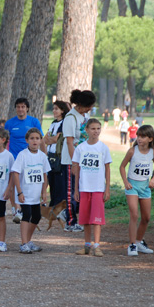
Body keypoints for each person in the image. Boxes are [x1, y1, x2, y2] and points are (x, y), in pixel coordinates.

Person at [72, 119, 112, 257]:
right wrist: (76, 189)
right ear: (87, 130)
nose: (96, 131)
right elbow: (76, 170)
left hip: (98, 188)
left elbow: (107, 169)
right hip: (84, 188)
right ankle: (87, 245)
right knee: (85, 218)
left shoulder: (103, 148)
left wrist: (107, 188)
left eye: (98, 128)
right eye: (93, 128)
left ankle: (97, 245)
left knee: (97, 218)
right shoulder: (80, 148)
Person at [120, 125, 154, 256]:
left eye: (143, 136)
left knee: (146, 218)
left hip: (145, 187)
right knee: (134, 215)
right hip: (132, 186)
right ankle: (131, 245)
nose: (139, 138)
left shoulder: (153, 152)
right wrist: (125, 182)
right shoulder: (132, 151)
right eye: (138, 136)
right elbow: (122, 166)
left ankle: (138, 242)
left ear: (150, 138)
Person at [4, 98, 44, 223]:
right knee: (12, 184)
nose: (20, 109)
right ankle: (16, 209)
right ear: (15, 108)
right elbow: (5, 140)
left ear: (27, 108)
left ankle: (26, 206)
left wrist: (44, 155)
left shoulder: (33, 121)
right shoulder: (10, 123)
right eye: (18, 107)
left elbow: (40, 139)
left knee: (26, 183)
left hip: (30, 158)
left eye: (23, 107)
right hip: (14, 157)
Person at [61, 90, 96, 232]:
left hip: (84, 160)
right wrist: (74, 163)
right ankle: (70, 221)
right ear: (82, 104)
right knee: (71, 191)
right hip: (71, 160)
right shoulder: (70, 118)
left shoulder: (85, 116)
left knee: (81, 190)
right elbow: (70, 142)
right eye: (90, 105)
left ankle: (69, 214)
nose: (91, 108)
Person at [12, 128, 50, 254]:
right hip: (25, 193)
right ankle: (23, 244)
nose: (35, 141)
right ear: (27, 140)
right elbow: (16, 173)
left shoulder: (42, 156)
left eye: (37, 138)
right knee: (26, 215)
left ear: (40, 141)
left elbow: (44, 174)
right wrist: (19, 192)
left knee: (37, 216)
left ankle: (28, 241)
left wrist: (44, 192)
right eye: (32, 138)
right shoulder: (22, 155)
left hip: (36, 194)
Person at [44, 101, 70, 207]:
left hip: (58, 155)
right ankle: (53, 204)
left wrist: (50, 139)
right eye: (53, 109)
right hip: (50, 155)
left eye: (56, 109)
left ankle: (60, 205)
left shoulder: (64, 123)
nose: (54, 111)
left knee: (59, 181)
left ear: (62, 110)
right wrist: (50, 139)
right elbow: (45, 139)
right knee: (52, 180)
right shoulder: (53, 123)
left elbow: (56, 139)